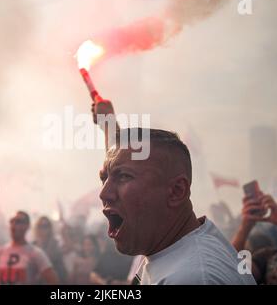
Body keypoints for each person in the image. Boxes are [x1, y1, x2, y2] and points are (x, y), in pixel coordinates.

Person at [92, 99, 256, 284]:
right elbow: (124, 162)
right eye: (104, 178)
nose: (104, 193)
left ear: (177, 192)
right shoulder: (174, 251)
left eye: (123, 177)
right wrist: (108, 124)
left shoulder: (192, 277)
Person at [0, 211, 58, 285]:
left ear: (27, 226)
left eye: (19, 222)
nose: (14, 225)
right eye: (12, 221)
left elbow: (53, 281)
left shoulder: (35, 253)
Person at [33, 216, 67, 283]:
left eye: (45, 226)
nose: (43, 229)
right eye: (40, 226)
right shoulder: (32, 246)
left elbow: (62, 271)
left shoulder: (56, 245)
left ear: (50, 228)